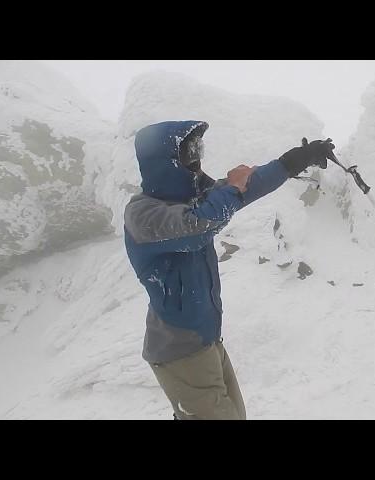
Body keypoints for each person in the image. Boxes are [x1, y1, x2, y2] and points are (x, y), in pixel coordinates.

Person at [123, 120, 335, 420]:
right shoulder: (143, 214)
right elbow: (200, 225)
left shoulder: (190, 199)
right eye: (188, 152)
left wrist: (292, 162)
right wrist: (234, 187)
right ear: (164, 161)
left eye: (198, 149)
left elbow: (247, 187)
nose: (196, 159)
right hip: (179, 351)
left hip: (206, 340)